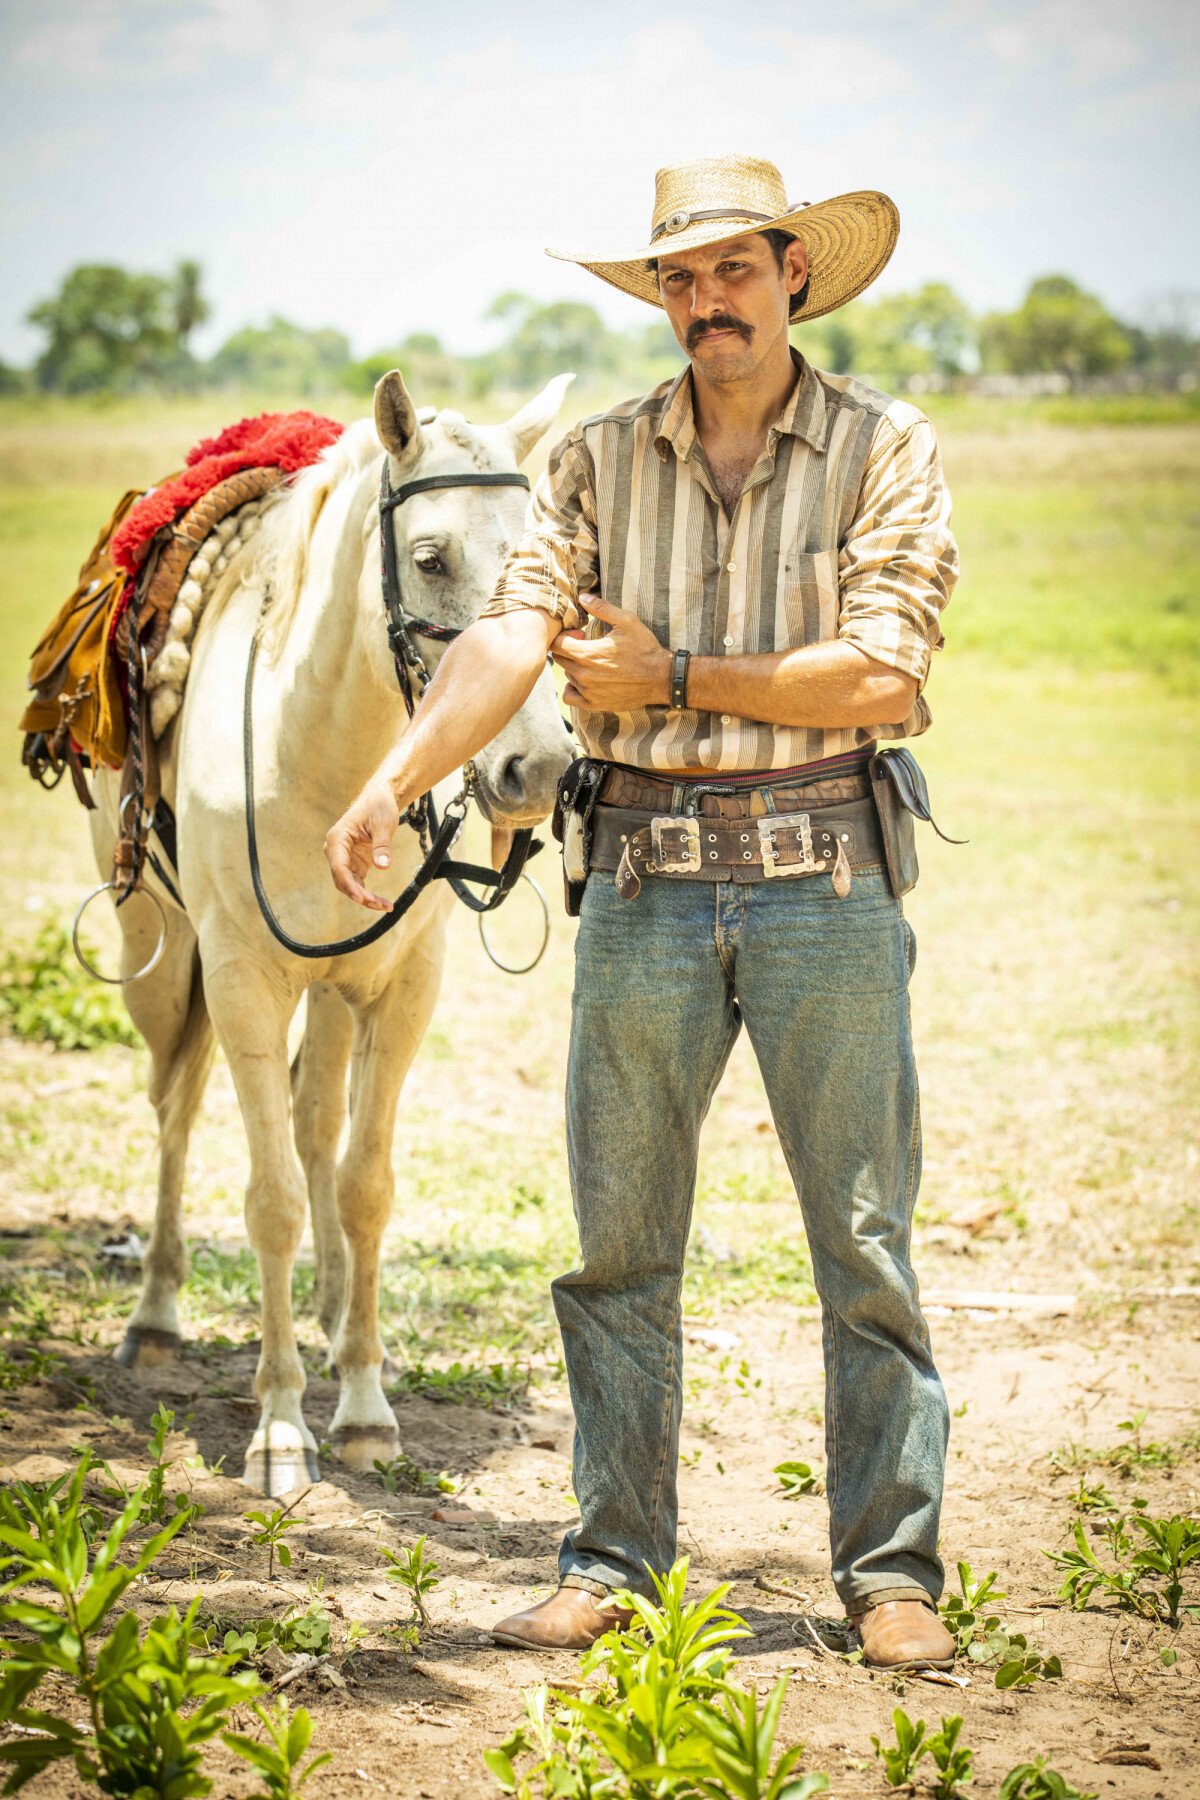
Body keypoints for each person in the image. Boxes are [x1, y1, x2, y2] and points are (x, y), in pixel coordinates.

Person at [324, 154, 959, 1671]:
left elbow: (886, 677)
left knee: (862, 1241)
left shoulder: (884, 445)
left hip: (827, 875)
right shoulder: (600, 458)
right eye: (678, 279)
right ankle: (609, 1560)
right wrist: (396, 775)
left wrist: (669, 676)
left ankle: (890, 1576)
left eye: (731, 272)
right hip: (644, 888)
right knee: (617, 1248)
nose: (703, 303)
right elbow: (511, 631)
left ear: (794, 274)